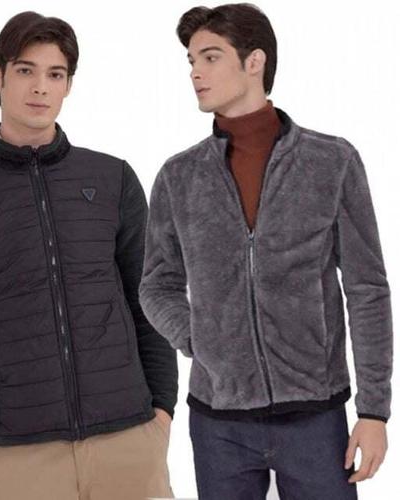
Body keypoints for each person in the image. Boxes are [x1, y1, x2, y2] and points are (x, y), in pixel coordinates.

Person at [0, 10, 176, 500]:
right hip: (18, 459)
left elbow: (150, 303)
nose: (40, 87)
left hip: (129, 442)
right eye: (25, 70)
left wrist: (161, 414)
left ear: (68, 85)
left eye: (55, 74)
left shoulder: (113, 179)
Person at [138, 3, 392, 499]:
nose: (195, 72)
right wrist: (198, 338)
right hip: (218, 424)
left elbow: (367, 289)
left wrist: (374, 411)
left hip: (316, 416)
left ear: (254, 61)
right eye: (191, 60)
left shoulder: (331, 162)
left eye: (210, 57)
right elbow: (157, 284)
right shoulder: (179, 176)